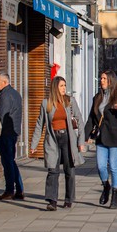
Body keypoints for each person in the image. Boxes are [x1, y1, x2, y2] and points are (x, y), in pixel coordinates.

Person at [29, 76, 86, 211]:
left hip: (67, 138)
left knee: (69, 170)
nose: (64, 88)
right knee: (52, 170)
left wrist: (80, 141)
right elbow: (39, 124)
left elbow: (80, 120)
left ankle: (68, 199)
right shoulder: (46, 103)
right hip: (52, 139)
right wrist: (33, 144)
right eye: (61, 86)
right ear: (55, 87)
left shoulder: (70, 101)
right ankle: (52, 201)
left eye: (65, 86)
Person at [85, 70, 117, 210]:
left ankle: (114, 197)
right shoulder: (97, 98)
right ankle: (106, 185)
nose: (101, 80)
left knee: (113, 166)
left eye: (104, 78)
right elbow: (91, 119)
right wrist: (84, 137)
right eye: (101, 78)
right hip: (101, 137)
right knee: (100, 166)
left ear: (110, 80)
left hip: (116, 136)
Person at [0, 72, 24, 200]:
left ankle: (10, 190)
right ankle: (19, 189)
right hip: (13, 131)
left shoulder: (5, 95)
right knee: (11, 161)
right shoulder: (16, 93)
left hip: (6, 133)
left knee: (7, 162)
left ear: (4, 82)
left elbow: (1, 115)